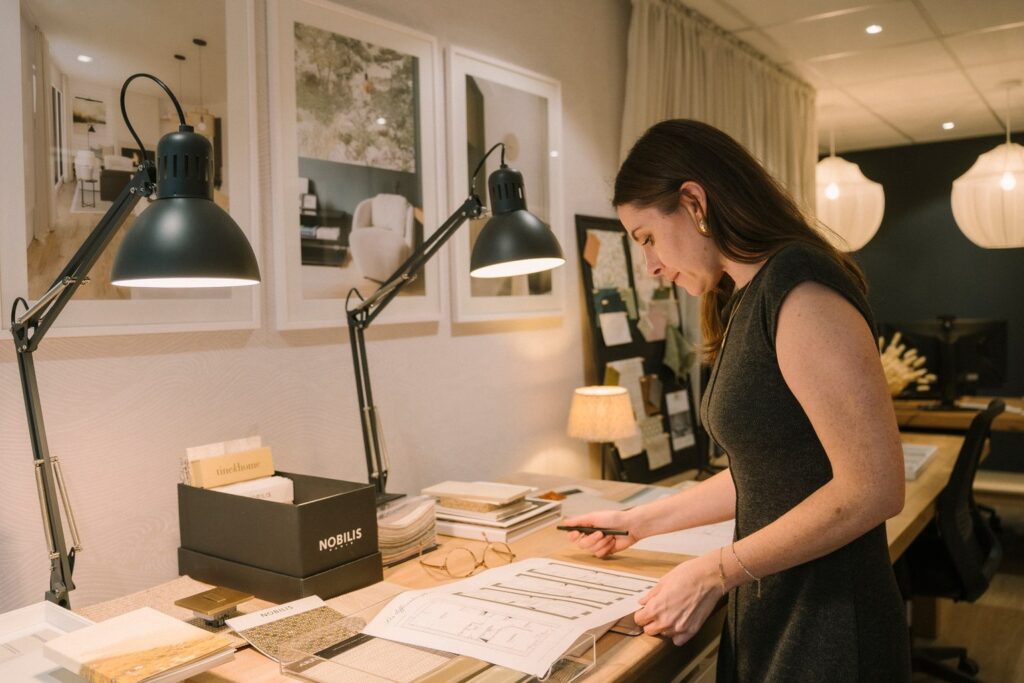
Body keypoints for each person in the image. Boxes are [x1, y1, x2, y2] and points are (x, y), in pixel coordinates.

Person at [563, 119, 910, 681]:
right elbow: (771, 471)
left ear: (694, 202)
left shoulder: (800, 287)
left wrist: (714, 572)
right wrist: (638, 522)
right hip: (778, 604)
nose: (651, 266)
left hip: (828, 624)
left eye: (647, 238)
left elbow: (873, 488)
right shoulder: (747, 296)